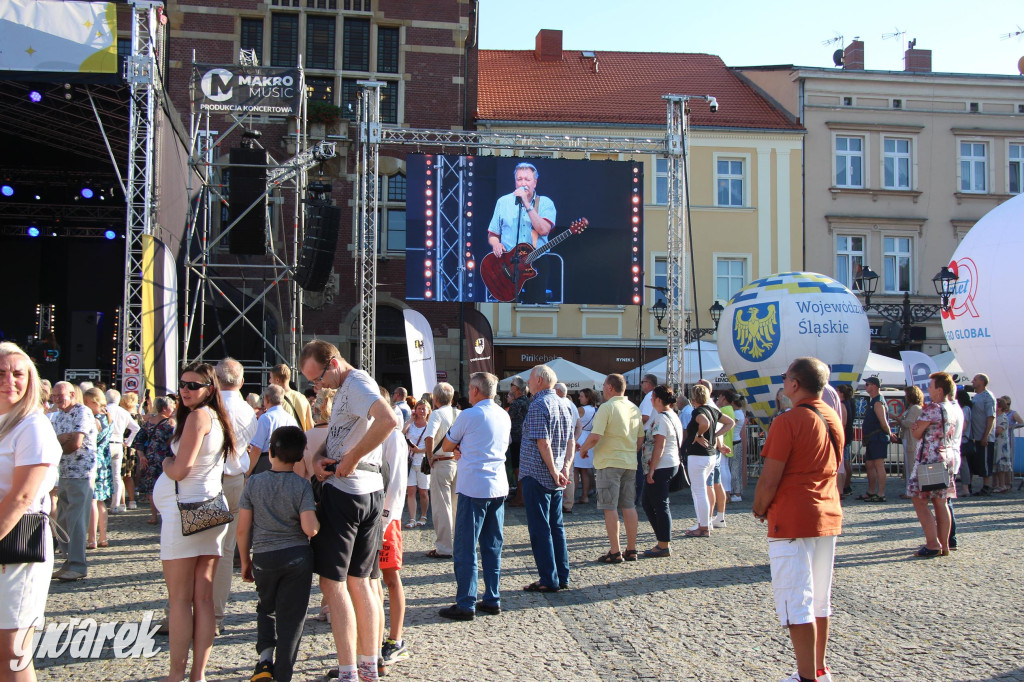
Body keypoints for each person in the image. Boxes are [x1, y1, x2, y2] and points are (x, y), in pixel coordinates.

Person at [298, 340, 399, 682]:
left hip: (350, 492)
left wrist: (352, 458)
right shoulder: (346, 386)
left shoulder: (356, 383)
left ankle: (350, 671)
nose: (319, 385)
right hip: (363, 490)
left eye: (320, 377)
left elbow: (388, 420)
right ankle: (366, 667)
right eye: (313, 381)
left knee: (334, 583)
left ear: (335, 362)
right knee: (361, 580)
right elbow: (340, 434)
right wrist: (318, 458)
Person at [751, 357, 844, 682]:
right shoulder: (833, 415)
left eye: (786, 378)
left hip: (792, 518)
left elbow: (770, 477)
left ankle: (807, 677)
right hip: (827, 513)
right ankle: (818, 668)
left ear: (794, 384)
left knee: (795, 600)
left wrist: (760, 507)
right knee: (820, 600)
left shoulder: (787, 421)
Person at [152, 362, 237, 682]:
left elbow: (180, 469)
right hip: (209, 508)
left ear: (210, 389)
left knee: (179, 601)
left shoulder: (199, 417)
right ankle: (197, 675)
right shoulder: (215, 418)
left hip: (185, 510)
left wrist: (166, 460)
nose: (185, 390)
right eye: (182, 385)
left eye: (193, 386)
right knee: (202, 599)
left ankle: (177, 675)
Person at [238, 425, 319, 682]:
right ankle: (284, 671)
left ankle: (264, 661)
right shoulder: (302, 486)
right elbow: (310, 528)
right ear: (299, 456)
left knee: (266, 607)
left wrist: (245, 562)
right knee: (292, 617)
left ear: (271, 451)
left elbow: (242, 530)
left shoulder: (254, 483)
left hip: (263, 556)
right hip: (296, 557)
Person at [0, 342, 61, 678]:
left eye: (18, 373)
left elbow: (22, 496)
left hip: (17, 546)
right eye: (1, 373)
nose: (10, 380)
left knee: (13, 650)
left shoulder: (32, 426)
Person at [437, 372, 511, 619]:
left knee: (466, 547)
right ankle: (492, 597)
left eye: (470, 389)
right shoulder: (503, 414)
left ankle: (466, 602)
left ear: (476, 390)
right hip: (498, 485)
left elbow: (447, 445)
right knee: (492, 545)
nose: (468, 393)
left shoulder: (469, 414)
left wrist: (461, 448)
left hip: (473, 486)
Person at [213, 357, 258, 636]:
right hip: (235, 480)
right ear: (241, 382)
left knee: (194, 549)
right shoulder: (248, 411)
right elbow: (251, 447)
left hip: (208, 482)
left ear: (216, 380)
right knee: (224, 551)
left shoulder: (209, 407)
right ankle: (216, 617)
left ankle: (181, 612)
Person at [518, 365, 573, 592]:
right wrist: (565, 468)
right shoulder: (564, 403)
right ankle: (562, 575)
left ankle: (548, 579)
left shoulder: (539, 404)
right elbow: (571, 441)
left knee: (541, 529)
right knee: (556, 527)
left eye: (530, 379)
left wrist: (553, 470)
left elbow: (543, 442)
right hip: (557, 474)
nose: (528, 383)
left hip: (538, 474)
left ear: (539, 380)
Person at [578, 373, 642, 564]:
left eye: (604, 385)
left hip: (609, 462)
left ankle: (615, 551)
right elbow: (640, 439)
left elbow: (595, 436)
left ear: (610, 388)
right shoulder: (634, 408)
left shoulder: (607, 408)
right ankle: (631, 549)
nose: (602, 389)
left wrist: (583, 449)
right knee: (629, 505)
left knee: (610, 507)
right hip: (629, 462)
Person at [907, 372, 962, 558]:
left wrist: (917, 427)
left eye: (930, 386)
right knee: (941, 501)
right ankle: (945, 545)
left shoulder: (932, 408)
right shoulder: (953, 408)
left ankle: (932, 543)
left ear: (939, 389)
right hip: (946, 457)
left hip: (928, 459)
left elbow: (916, 432)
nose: (928, 389)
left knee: (919, 499)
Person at [486, 162, 557, 303]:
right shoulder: (503, 202)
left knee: (535, 304)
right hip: (508, 263)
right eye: (519, 179)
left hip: (536, 261)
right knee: (507, 302)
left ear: (535, 182)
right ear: (515, 182)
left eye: (527, 179)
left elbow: (543, 230)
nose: (523, 183)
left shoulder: (545, 203)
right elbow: (493, 234)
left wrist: (527, 204)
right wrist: (496, 244)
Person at [48, 380, 97, 581]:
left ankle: (78, 564)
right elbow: (51, 441)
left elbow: (76, 443)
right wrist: (60, 441)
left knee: (76, 521)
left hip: (81, 473)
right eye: (54, 396)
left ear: (72, 394)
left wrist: (60, 442)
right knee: (63, 521)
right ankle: (69, 561)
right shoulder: (59, 416)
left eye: (61, 395)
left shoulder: (82, 412)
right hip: (64, 472)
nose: (57, 399)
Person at [376, 410, 409, 670]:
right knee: (372, 579)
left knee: (390, 578)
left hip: (387, 520)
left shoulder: (394, 437)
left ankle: (396, 639)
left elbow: (397, 481)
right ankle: (374, 640)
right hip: (372, 517)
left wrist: (386, 518)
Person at [683, 384, 733, 537]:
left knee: (699, 491)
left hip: (698, 455)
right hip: (710, 455)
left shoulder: (698, 411)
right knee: (702, 490)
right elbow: (730, 422)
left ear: (693, 398)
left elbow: (704, 423)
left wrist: (699, 435)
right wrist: (716, 435)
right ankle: (703, 523)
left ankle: (704, 526)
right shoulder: (713, 409)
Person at [640, 385, 683, 557]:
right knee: (649, 503)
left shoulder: (661, 418)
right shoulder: (672, 416)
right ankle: (662, 540)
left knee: (659, 505)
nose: (650, 400)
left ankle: (663, 544)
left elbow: (660, 445)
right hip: (668, 464)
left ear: (658, 400)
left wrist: (651, 470)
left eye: (652, 397)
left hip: (662, 466)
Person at [424, 382, 458, 560]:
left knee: (441, 507)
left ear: (435, 399)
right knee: (456, 506)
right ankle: (457, 543)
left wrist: (430, 456)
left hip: (442, 462)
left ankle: (444, 547)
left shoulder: (437, 414)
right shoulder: (459, 413)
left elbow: (429, 436)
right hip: (457, 462)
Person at [136, 397, 176, 525]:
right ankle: (166, 514)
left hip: (150, 458)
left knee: (151, 488)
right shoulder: (170, 423)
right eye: (172, 406)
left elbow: (138, 440)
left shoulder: (149, 422)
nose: (174, 408)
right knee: (168, 487)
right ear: (165, 408)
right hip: (166, 458)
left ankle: (153, 516)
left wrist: (142, 456)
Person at [82, 387, 112, 550]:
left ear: (93, 402)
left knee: (93, 500)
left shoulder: (97, 418)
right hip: (104, 460)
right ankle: (103, 536)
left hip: (95, 460)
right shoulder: (108, 416)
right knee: (100, 501)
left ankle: (92, 538)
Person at [248, 385, 299, 476]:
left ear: (266, 399)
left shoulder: (265, 418)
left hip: (266, 463)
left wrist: (247, 473)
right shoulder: (291, 419)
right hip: (288, 464)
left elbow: (256, 449)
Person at [859, 376, 894, 502]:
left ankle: (880, 493)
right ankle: (871, 491)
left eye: (867, 384)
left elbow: (883, 423)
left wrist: (890, 434)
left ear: (874, 386)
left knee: (878, 465)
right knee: (869, 464)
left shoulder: (878, 402)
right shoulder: (874, 400)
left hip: (878, 437)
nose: (866, 386)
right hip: (872, 438)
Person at [105, 389, 140, 514]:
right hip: (119, 444)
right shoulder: (123, 412)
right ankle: (115, 504)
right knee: (117, 476)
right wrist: (128, 441)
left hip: (107, 444)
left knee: (103, 473)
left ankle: (104, 500)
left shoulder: (105, 410)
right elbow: (136, 428)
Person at [403, 400, 431, 529]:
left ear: (428, 410)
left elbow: (433, 445)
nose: (421, 411)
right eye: (419, 408)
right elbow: (401, 433)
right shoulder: (411, 425)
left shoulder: (430, 425)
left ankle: (423, 515)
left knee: (423, 491)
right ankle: (412, 518)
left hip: (423, 462)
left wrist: (419, 450)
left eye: (424, 409)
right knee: (411, 491)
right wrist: (409, 420)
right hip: (410, 460)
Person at [712, 390, 736, 527]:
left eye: (720, 396)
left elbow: (723, 424)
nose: (718, 398)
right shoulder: (730, 409)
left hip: (723, 442)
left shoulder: (724, 409)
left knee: (722, 470)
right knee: (724, 469)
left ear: (724, 398)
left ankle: (726, 493)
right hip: (726, 441)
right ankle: (727, 493)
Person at [969, 373, 996, 496]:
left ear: (982, 382)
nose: (972, 381)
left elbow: (991, 417)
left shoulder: (987, 397)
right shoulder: (975, 397)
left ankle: (987, 486)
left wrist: (986, 435)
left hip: (984, 437)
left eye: (975, 379)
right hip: (975, 436)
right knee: (978, 462)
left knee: (985, 462)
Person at [554, 382, 579, 514]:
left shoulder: (556, 403)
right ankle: (569, 503)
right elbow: (579, 426)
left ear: (557, 391)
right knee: (569, 472)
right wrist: (574, 440)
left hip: (557, 445)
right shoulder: (573, 405)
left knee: (556, 471)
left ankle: (558, 502)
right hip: (569, 444)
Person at [505, 376, 529, 506]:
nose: (511, 387)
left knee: (517, 468)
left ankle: (520, 497)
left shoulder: (517, 403)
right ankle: (522, 496)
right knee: (521, 468)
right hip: (525, 438)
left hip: (516, 439)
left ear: (517, 388)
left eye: (512, 385)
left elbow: (508, 419)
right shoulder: (528, 401)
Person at [572, 387, 598, 505]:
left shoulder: (581, 409)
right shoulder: (596, 409)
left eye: (581, 396)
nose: (579, 398)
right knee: (585, 470)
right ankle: (585, 496)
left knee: (576, 469)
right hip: (589, 437)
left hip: (580, 436)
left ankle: (571, 497)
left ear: (587, 398)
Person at [269, 364, 313, 432]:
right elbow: (310, 427)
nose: (269, 381)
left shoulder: (277, 400)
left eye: (271, 378)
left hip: (285, 440)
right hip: (301, 440)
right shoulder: (302, 398)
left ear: (277, 380)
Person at [898, 386, 925, 499]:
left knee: (910, 466)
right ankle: (911, 490)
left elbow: (908, 423)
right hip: (909, 438)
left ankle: (911, 491)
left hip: (911, 439)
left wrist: (896, 418)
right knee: (909, 466)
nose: (905, 397)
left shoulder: (914, 408)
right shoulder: (914, 407)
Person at [119, 391, 142, 510]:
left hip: (123, 446)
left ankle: (122, 503)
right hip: (132, 448)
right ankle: (132, 501)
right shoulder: (138, 416)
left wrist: (126, 441)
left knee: (121, 476)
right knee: (129, 475)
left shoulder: (122, 414)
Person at [835, 384, 855, 498]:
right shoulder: (849, 403)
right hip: (846, 436)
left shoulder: (843, 405)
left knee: (843, 464)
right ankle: (845, 486)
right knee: (845, 462)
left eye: (837, 390)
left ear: (842, 393)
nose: (836, 391)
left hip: (843, 437)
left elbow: (843, 424)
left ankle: (844, 487)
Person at [993, 396, 1013, 493]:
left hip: (1001, 445)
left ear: (1000, 407)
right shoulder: (996, 417)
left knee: (1001, 466)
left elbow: (999, 430)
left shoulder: (1003, 418)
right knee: (995, 465)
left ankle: (1002, 485)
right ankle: (995, 484)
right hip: (996, 445)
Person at [955, 389, 973, 497]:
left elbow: (964, 425)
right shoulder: (967, 408)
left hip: (962, 439)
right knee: (962, 464)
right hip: (963, 438)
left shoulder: (965, 409)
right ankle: (965, 487)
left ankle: (965, 488)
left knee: (963, 464)